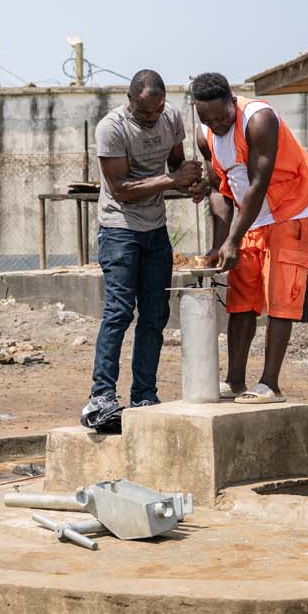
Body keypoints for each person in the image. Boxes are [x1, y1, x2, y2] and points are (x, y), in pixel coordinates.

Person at [81, 70, 204, 432]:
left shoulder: (171, 119)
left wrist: (193, 184)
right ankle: (101, 396)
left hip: (155, 230)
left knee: (155, 314)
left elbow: (176, 166)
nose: (153, 118)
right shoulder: (112, 128)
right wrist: (172, 181)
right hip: (119, 229)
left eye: (159, 110)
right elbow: (119, 188)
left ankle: (144, 396)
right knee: (119, 311)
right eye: (146, 112)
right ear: (131, 100)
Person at [189, 72, 308, 403]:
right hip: (250, 219)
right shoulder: (204, 134)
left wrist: (233, 239)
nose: (218, 125)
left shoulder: (259, 119)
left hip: (288, 210)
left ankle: (270, 384)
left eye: (222, 117)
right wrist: (221, 242)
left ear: (232, 101)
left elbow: (257, 184)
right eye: (210, 120)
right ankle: (235, 380)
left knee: (280, 297)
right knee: (241, 300)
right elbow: (220, 189)